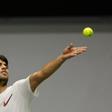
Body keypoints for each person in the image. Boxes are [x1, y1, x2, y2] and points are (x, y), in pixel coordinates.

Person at [0, 43, 87, 112]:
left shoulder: (18, 89)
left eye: (5, 65)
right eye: (0, 65)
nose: (4, 67)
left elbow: (41, 74)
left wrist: (61, 58)